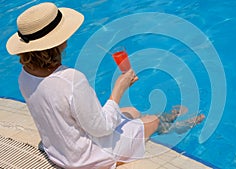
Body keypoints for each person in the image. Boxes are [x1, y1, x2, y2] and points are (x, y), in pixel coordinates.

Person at [6, 2, 204, 169]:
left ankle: (161, 120)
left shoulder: (24, 76)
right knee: (150, 121)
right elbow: (102, 128)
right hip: (87, 160)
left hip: (60, 152)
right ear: (59, 42)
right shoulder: (70, 79)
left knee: (131, 111)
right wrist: (120, 87)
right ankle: (172, 125)